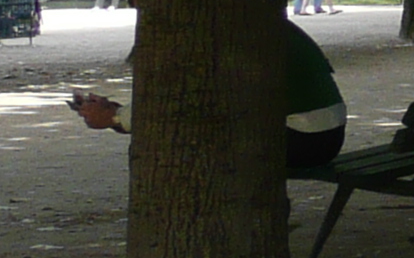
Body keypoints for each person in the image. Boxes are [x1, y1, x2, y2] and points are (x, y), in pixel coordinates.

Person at [69, 15, 350, 171]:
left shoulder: (206, 30)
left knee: (176, 145)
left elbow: (178, 102)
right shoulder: (248, 20)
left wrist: (117, 118)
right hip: (323, 134)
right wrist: (119, 115)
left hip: (302, 140)